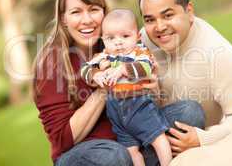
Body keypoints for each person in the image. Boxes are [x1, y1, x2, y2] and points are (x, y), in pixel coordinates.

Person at [33, 0, 205, 166]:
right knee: (114, 156)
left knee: (189, 113)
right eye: (76, 12)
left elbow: (145, 104)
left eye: (93, 10)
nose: (87, 20)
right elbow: (62, 141)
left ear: (104, 13)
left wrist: (153, 89)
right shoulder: (50, 64)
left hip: (131, 136)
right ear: (64, 18)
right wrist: (106, 85)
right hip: (86, 154)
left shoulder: (118, 42)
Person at [139, 0, 232, 156]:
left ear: (189, 12)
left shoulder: (220, 56)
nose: (159, 27)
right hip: (150, 128)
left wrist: (203, 139)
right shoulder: (143, 40)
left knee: (190, 112)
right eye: (150, 19)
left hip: (186, 129)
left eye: (168, 15)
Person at [81, 9, 205, 166]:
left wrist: (123, 69)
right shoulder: (104, 56)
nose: (118, 42)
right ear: (103, 39)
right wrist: (95, 74)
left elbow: (146, 66)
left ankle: (168, 163)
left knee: (158, 138)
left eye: (125, 36)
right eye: (111, 38)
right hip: (117, 116)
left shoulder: (139, 52)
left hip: (139, 106)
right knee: (131, 151)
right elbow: (85, 68)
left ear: (137, 37)